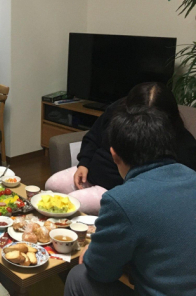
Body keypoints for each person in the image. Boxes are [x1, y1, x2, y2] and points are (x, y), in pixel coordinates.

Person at [64, 105, 196, 296]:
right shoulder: (191, 175)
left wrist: (92, 253)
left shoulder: (122, 201)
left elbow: (101, 272)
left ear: (114, 155)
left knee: (78, 277)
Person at [45, 82, 196, 215]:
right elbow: (93, 136)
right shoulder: (118, 112)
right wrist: (83, 164)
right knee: (53, 184)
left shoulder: (180, 147)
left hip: (117, 190)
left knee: (71, 203)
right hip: (92, 173)